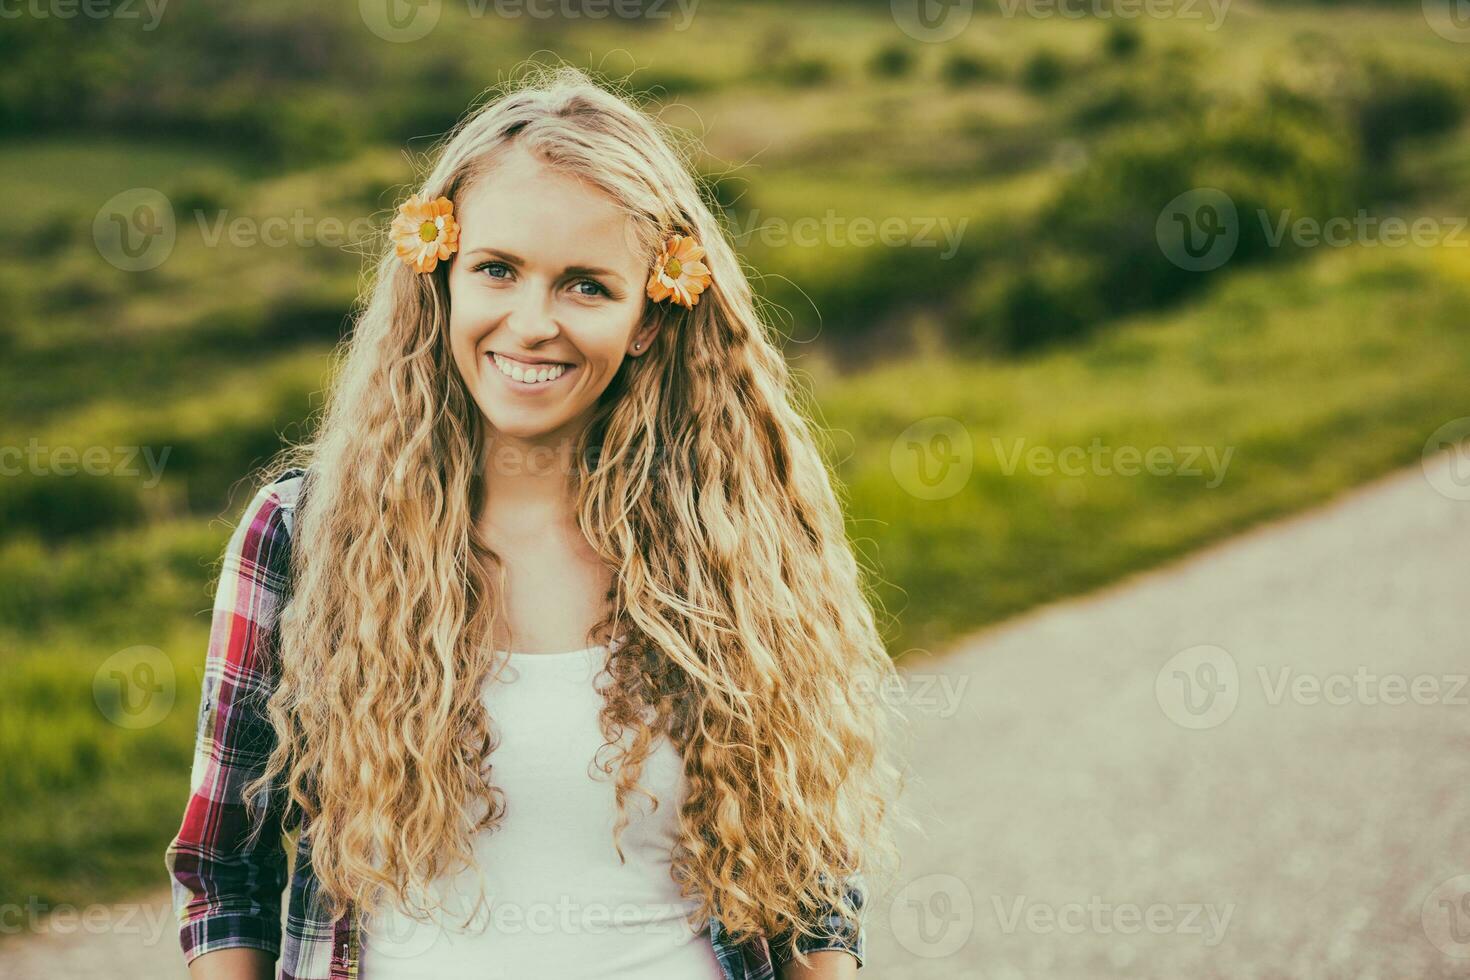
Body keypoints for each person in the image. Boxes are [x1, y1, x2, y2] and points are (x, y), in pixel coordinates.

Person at [165, 63, 909, 980]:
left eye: (586, 286)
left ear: (648, 316)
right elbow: (222, 871)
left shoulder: (740, 535)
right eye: (497, 269)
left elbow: (809, 888)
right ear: (440, 278)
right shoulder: (304, 534)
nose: (531, 322)